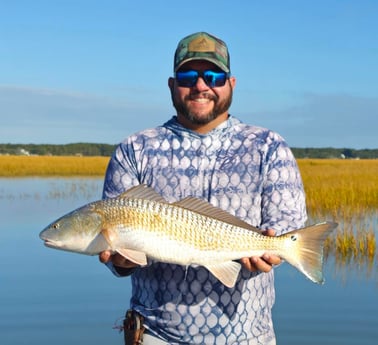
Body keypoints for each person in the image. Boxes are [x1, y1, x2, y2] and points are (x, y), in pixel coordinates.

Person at [99, 32, 307, 345]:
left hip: (247, 337)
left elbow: (288, 229)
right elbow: (118, 262)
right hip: (155, 336)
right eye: (187, 76)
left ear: (231, 83)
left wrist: (273, 251)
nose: (200, 86)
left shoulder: (268, 147)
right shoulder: (134, 149)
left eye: (213, 76)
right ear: (171, 84)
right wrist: (121, 260)